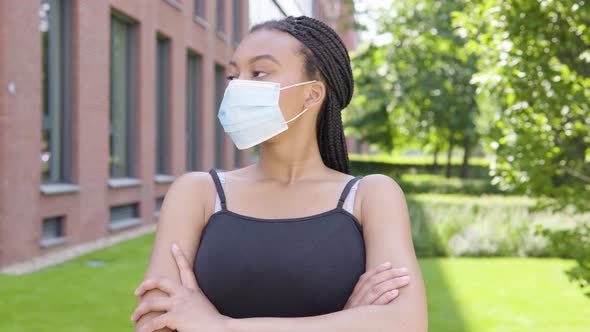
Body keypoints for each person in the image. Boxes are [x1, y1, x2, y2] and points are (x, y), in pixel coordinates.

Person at [131, 15, 427, 332]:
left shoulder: (371, 196)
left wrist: (219, 326)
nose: (238, 86)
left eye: (258, 72)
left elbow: (405, 323)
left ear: (312, 93)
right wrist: (349, 320)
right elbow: (155, 322)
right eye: (233, 76)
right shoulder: (197, 193)